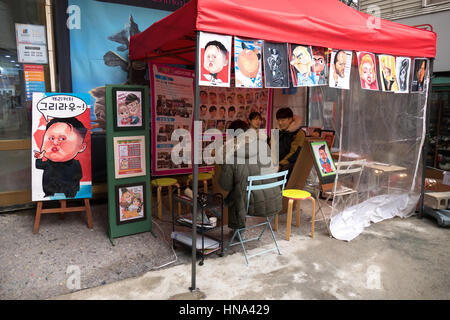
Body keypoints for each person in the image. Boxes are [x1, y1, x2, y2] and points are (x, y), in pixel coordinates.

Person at [218, 120, 281, 231]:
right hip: (273, 199)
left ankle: (237, 229)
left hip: (249, 204)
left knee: (233, 194)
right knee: (239, 188)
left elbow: (225, 186)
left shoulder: (231, 154)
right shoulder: (264, 146)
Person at [34, 117, 88, 198]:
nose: (55, 142)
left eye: (62, 138)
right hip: (50, 189)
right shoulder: (48, 163)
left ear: (81, 147)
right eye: (51, 138)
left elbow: (78, 175)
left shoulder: (75, 164)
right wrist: (39, 157)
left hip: (69, 188)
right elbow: (39, 165)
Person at [276, 107, 305, 177]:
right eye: (278, 120)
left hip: (288, 165)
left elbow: (294, 153)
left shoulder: (299, 133)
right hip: (275, 164)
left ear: (290, 119)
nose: (280, 123)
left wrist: (280, 165)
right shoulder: (277, 132)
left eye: (283, 120)